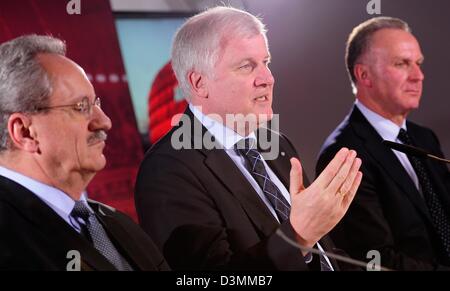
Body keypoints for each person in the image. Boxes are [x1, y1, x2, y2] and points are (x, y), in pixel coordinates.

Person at [135, 6, 362, 271]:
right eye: (246, 66)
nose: (268, 78)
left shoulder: (276, 144)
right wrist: (298, 235)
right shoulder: (167, 170)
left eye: (266, 62)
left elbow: (327, 255)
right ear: (198, 83)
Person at [0, 34, 169, 271]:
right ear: (25, 132)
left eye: (96, 104)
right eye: (81, 107)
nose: (105, 122)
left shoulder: (118, 224)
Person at [316, 17, 450, 270]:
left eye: (419, 64)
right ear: (364, 75)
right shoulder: (344, 154)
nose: (418, 76)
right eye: (402, 64)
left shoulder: (424, 138)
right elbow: (375, 260)